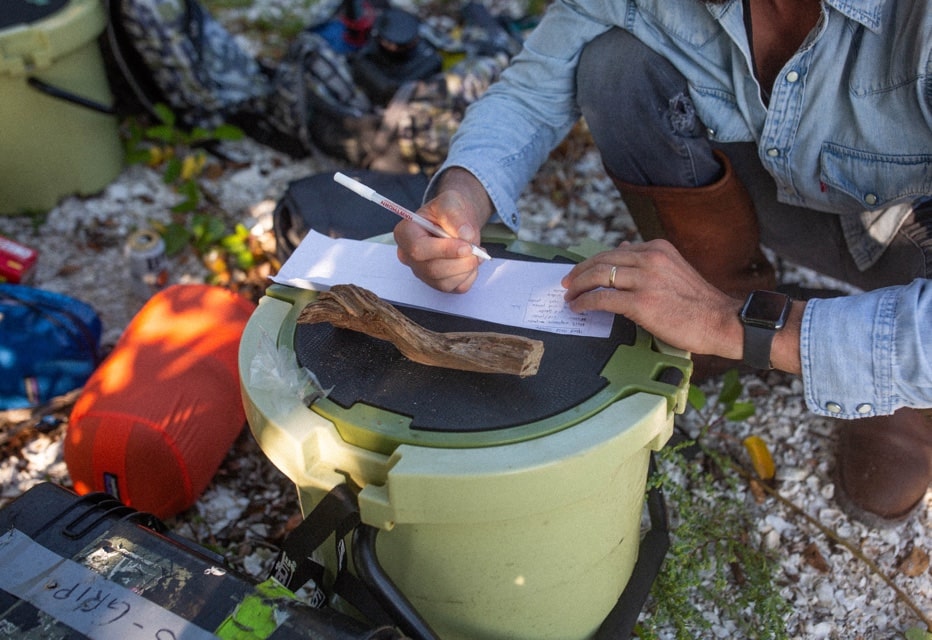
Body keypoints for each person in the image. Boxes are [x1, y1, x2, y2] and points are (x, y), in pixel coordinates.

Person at [391, 0, 932, 527]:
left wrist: (731, 322)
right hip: (787, 186)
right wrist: (463, 194)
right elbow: (533, 92)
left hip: (912, 243)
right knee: (615, 67)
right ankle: (717, 294)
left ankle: (906, 395)